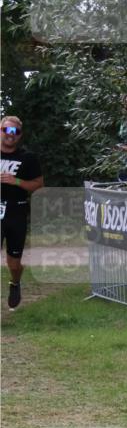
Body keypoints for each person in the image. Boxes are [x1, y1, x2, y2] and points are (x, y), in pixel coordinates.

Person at [0, 116, 44, 310]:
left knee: (14, 262)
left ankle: (15, 282)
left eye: (15, 132)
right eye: (7, 130)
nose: (11, 135)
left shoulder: (27, 157)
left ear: (20, 135)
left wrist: (16, 181)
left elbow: (38, 185)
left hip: (16, 210)